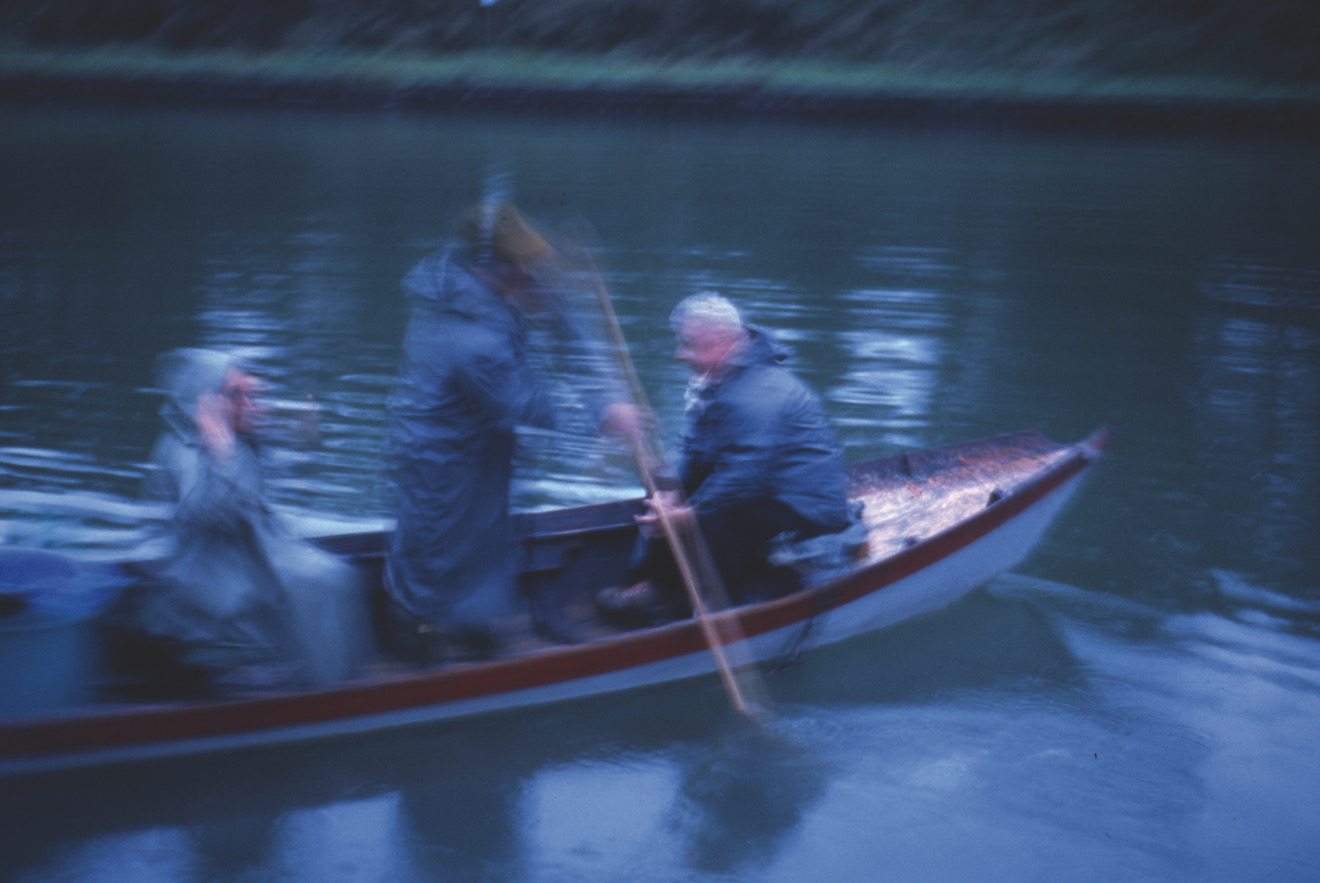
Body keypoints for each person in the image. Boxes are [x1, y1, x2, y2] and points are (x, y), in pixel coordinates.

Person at [384, 201, 642, 660]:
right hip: (440, 457)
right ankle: (414, 632)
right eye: (522, 264)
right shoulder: (470, 341)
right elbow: (527, 407)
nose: (530, 272)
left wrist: (604, 396)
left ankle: (472, 624)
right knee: (436, 547)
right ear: (490, 266)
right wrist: (606, 420)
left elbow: (566, 330)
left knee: (486, 540)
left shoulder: (486, 284)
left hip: (483, 447)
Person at [596, 291, 853, 625]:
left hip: (805, 508)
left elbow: (746, 475)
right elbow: (694, 448)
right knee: (663, 480)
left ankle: (725, 605)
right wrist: (670, 494)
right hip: (761, 488)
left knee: (716, 515)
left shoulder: (759, 392)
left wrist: (688, 514)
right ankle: (659, 587)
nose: (678, 354)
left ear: (721, 341)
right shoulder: (719, 379)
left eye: (688, 344)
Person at [130, 347, 367, 689]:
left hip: (241, 555)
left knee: (332, 576)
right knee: (319, 583)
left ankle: (327, 681)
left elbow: (269, 453)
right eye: (235, 395)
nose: (248, 404)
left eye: (251, 395)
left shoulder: (234, 438)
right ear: (204, 402)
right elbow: (201, 514)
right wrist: (222, 453)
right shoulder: (185, 451)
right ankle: (321, 690)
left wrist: (301, 431)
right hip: (204, 576)